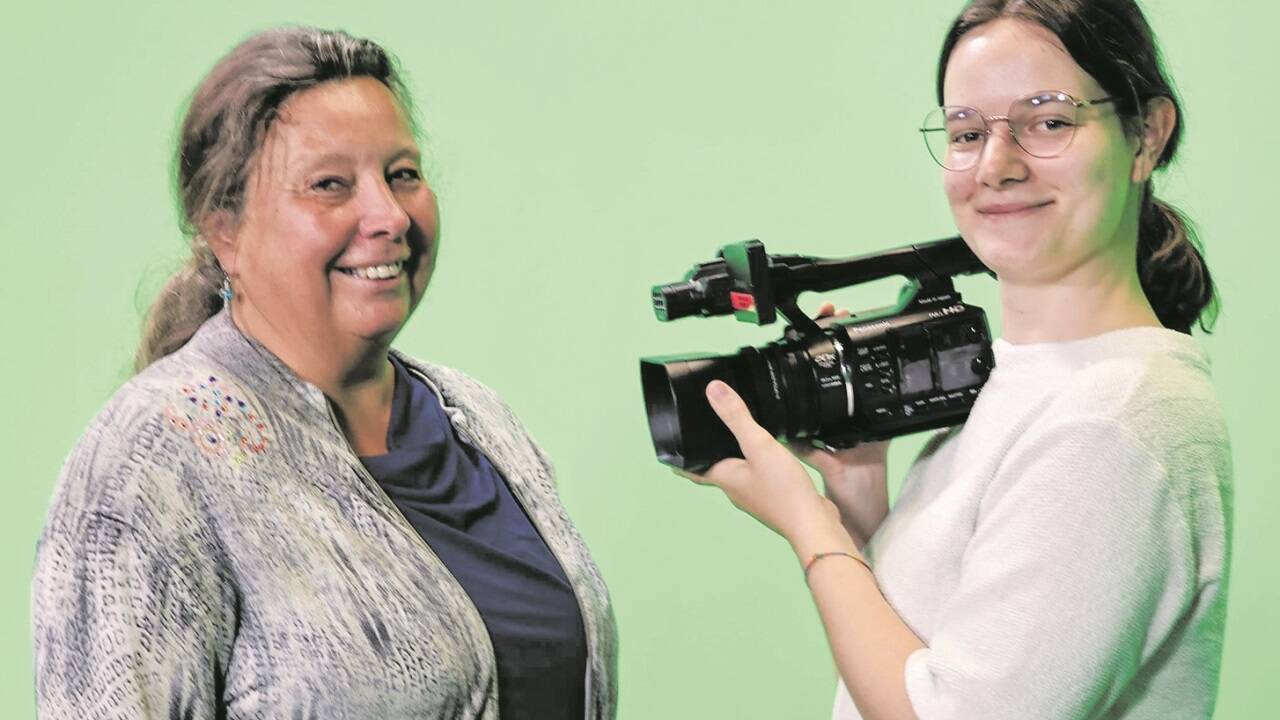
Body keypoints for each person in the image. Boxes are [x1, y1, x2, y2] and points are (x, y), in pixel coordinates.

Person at [32, 26, 616, 720]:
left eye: (402, 174)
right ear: (225, 231)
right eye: (330, 185)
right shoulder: (151, 457)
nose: (390, 216)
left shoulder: (480, 419)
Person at [678, 1, 1231, 718]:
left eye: (1049, 120)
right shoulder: (1018, 380)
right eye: (967, 132)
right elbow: (944, 650)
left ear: (1147, 135)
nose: (996, 167)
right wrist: (856, 502)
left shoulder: (1112, 422)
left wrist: (808, 527)